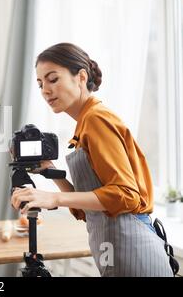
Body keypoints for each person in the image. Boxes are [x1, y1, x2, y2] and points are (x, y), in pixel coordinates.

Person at [11, 42, 173, 277]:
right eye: (40, 84)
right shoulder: (85, 122)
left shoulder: (97, 119)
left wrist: (53, 197)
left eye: (53, 79)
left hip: (132, 248)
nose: (45, 89)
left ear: (81, 77)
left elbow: (125, 195)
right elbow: (92, 208)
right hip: (114, 247)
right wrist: (50, 171)